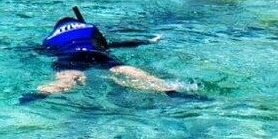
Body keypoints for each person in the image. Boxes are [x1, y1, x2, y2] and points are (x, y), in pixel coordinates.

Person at [20, 8, 190, 101]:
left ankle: (43, 93)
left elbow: (29, 50)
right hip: (96, 53)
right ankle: (169, 89)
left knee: (69, 79)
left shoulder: (49, 39)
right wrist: (149, 41)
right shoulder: (89, 27)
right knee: (126, 70)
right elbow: (115, 44)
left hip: (69, 56)